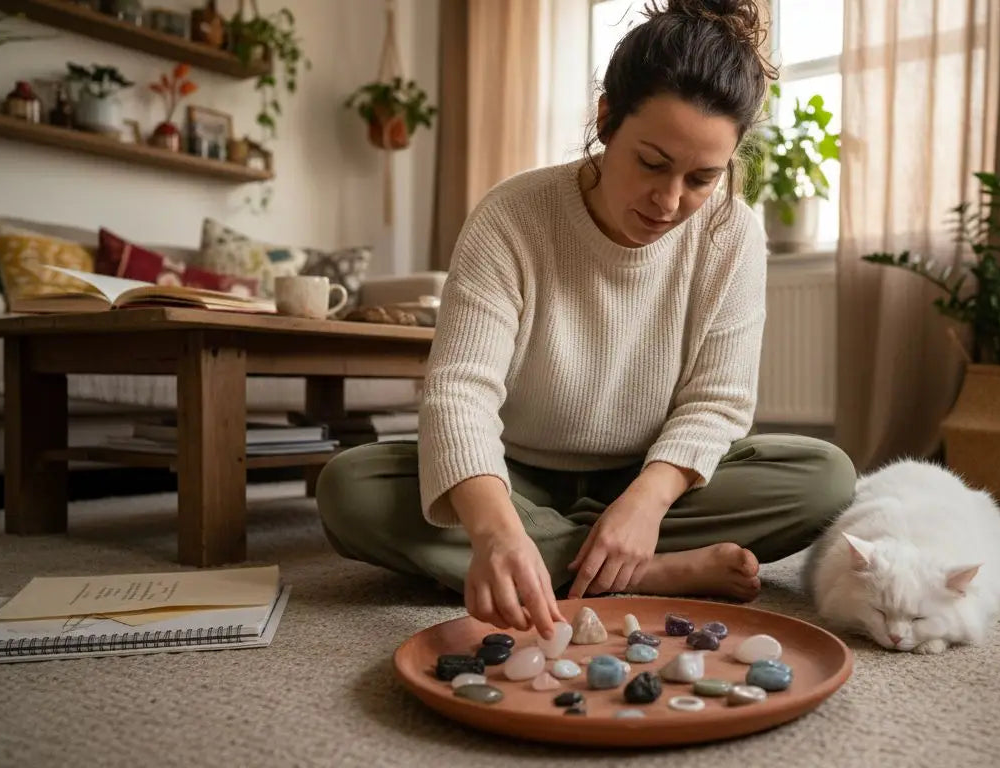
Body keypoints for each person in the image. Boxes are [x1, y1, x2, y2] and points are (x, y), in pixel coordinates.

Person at [316, 0, 856, 641]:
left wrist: (645, 503)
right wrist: (495, 529)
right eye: (652, 163)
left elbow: (717, 402)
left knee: (826, 478)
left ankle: (572, 559)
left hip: (655, 481)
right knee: (349, 490)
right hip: (514, 474)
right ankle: (643, 573)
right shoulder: (511, 216)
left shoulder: (732, 234)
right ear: (606, 120)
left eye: (703, 177)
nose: (669, 201)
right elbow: (460, 392)